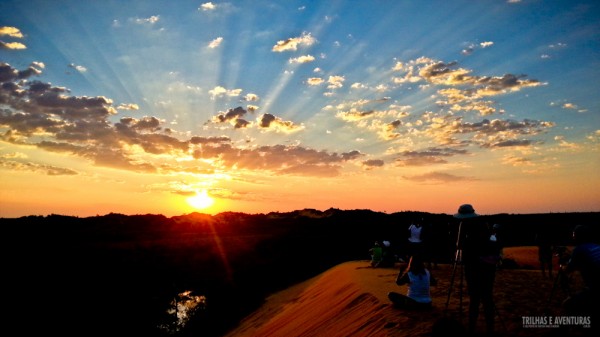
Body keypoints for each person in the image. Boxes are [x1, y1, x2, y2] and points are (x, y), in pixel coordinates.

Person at [454, 204, 501, 336]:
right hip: (488, 267)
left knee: (474, 298)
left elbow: (459, 245)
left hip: (473, 266)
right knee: (487, 296)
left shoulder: (463, 225)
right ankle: (490, 327)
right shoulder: (483, 224)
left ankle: (472, 327)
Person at [561, 225, 600, 321]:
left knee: (567, 305)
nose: (573, 237)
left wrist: (563, 264)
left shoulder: (579, 249)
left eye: (574, 234)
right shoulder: (597, 246)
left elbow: (568, 270)